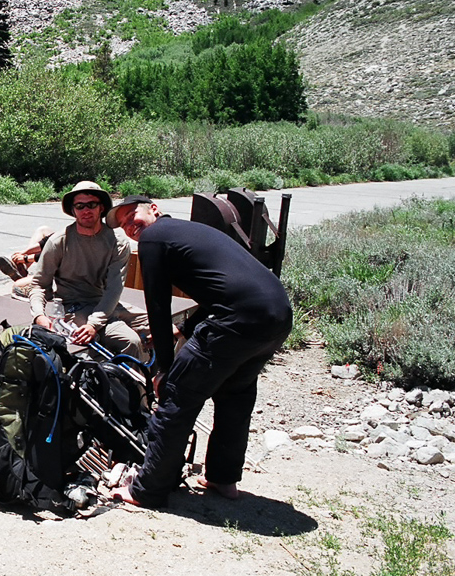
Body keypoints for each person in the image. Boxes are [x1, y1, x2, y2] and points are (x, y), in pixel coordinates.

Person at [102, 195, 293, 507]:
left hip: (237, 320)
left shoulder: (153, 238)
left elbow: (158, 306)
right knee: (235, 395)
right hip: (276, 315)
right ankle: (223, 478)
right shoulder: (186, 231)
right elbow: (221, 290)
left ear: (153, 209)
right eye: (122, 224)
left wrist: (164, 370)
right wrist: (186, 329)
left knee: (176, 398)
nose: (129, 226)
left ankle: (146, 490)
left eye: (131, 215)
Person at [27, 181, 148, 359]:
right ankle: (121, 377)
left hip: (106, 302)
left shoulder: (118, 242)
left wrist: (94, 323)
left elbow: (114, 289)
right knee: (130, 341)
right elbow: (39, 285)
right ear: (73, 210)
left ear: (101, 208)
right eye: (80, 206)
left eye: (91, 204)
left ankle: (161, 373)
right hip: (74, 306)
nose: (86, 210)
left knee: (166, 327)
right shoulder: (58, 242)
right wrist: (39, 315)